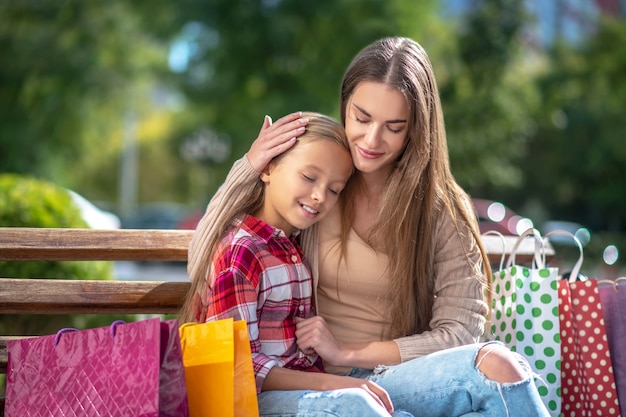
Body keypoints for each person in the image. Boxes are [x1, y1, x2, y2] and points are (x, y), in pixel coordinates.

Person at [185, 37, 550, 417]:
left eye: (393, 127)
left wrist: (347, 352)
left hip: (395, 377)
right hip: (312, 382)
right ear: (345, 106)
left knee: (500, 368)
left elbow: (459, 334)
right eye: (361, 118)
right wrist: (250, 165)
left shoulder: (439, 209)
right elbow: (209, 262)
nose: (372, 140)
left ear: (416, 130)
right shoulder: (323, 183)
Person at [180, 112, 355, 394]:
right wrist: (329, 384)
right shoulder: (242, 254)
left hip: (305, 390)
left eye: (334, 190)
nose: (320, 196)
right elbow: (238, 366)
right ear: (268, 169)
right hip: (259, 400)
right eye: (309, 177)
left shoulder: (294, 245)